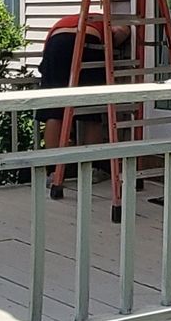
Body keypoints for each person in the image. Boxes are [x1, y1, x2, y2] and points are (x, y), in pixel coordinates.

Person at [38, 14, 132, 198]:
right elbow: (119, 33)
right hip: (89, 42)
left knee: (55, 110)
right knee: (91, 110)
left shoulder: (74, 17)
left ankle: (54, 171)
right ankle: (92, 168)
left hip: (57, 43)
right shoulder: (111, 24)